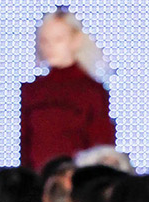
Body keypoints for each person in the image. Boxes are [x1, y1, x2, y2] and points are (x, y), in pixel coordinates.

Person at [20, 9, 115, 174]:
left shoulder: (92, 91)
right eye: (44, 40)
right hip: (38, 181)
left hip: (78, 181)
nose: (50, 47)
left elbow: (101, 147)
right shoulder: (32, 91)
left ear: (76, 40)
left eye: (58, 39)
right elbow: (25, 145)